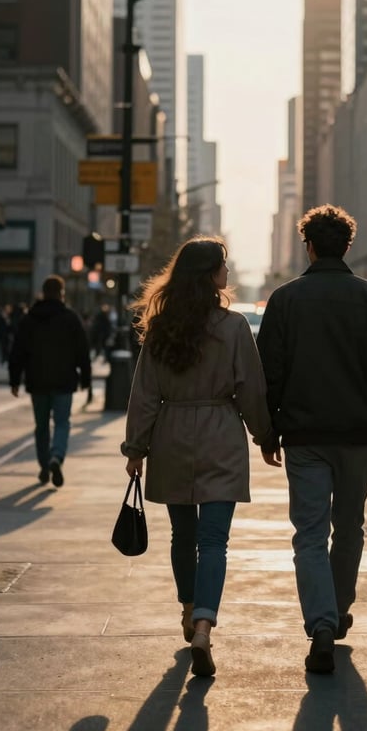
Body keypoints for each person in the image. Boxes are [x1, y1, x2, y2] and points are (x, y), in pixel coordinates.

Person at [256, 204, 367, 675]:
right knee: (349, 528)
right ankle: (338, 608)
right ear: (347, 246)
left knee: (308, 533)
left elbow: (269, 374)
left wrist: (267, 433)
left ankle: (321, 624)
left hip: (304, 436)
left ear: (308, 245)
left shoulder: (284, 300)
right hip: (357, 435)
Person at [121, 236, 275, 678]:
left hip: (172, 435)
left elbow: (145, 392)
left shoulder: (161, 325)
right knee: (214, 542)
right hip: (220, 435)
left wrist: (136, 448)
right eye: (223, 265)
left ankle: (188, 610)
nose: (228, 272)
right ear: (211, 274)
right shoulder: (233, 326)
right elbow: (250, 387)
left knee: (181, 537)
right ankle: (205, 623)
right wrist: (264, 435)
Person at [9, 275, 91, 488]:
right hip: (64, 380)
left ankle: (44, 466)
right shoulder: (70, 318)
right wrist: (86, 377)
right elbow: (83, 350)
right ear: (61, 293)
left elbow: (17, 351)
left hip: (38, 381)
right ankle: (57, 456)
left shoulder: (29, 319)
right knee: (62, 422)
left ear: (42, 294)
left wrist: (14, 379)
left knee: (42, 426)